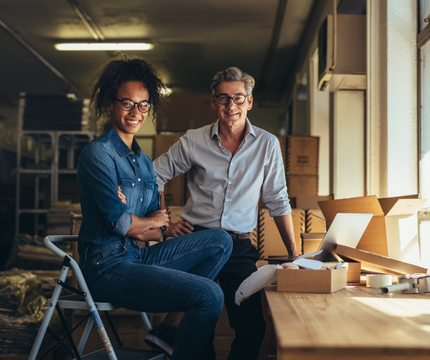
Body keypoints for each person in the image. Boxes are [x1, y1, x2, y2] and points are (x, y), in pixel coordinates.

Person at [76, 57, 233, 360]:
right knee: (210, 295)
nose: (136, 113)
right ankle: (177, 346)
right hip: (106, 267)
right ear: (110, 102)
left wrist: (144, 222)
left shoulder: (145, 162)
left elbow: (156, 232)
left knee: (220, 241)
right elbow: (119, 224)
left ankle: (168, 333)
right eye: (127, 103)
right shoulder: (98, 154)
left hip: (137, 256)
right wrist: (142, 221)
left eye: (144, 105)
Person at [153, 67, 298, 360]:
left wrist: (294, 252)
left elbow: (277, 200)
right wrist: (164, 222)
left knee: (252, 326)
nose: (230, 106)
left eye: (238, 98)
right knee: (198, 327)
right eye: (223, 98)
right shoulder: (193, 140)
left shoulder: (267, 144)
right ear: (213, 102)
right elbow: (154, 175)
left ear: (249, 102)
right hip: (197, 242)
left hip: (239, 245)